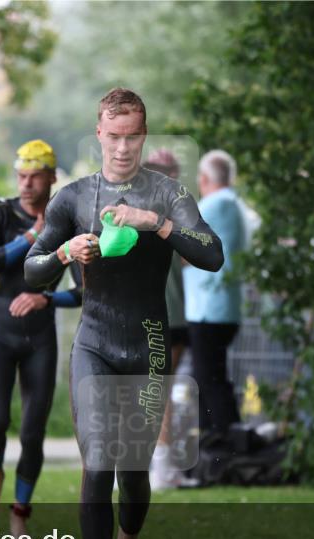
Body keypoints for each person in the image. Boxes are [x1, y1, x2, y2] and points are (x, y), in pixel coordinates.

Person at [24, 88, 224, 539]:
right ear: (99, 136)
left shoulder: (169, 193)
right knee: (97, 464)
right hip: (95, 340)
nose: (122, 147)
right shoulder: (72, 197)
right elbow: (33, 268)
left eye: (132, 136)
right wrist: (67, 251)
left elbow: (211, 253)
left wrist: (153, 223)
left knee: (134, 473)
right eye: (113, 137)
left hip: (151, 344)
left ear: (144, 135)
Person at [0, 139, 83, 537]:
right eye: (21, 176)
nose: (26, 184)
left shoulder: (67, 223)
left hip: (40, 339)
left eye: (35, 177)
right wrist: (29, 237)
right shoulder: (0, 211)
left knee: (33, 429)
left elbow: (85, 292)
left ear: (52, 178)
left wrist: (45, 297)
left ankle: (20, 510)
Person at [184, 150, 246, 435]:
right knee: (208, 377)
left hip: (208, 308)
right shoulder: (235, 205)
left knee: (209, 380)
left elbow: (181, 241)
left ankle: (225, 442)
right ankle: (215, 444)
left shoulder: (212, 205)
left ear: (205, 178)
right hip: (225, 307)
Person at [142, 149, 189, 490]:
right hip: (164, 314)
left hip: (166, 314)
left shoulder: (140, 212)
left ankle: (155, 467)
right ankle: (161, 468)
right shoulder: (176, 213)